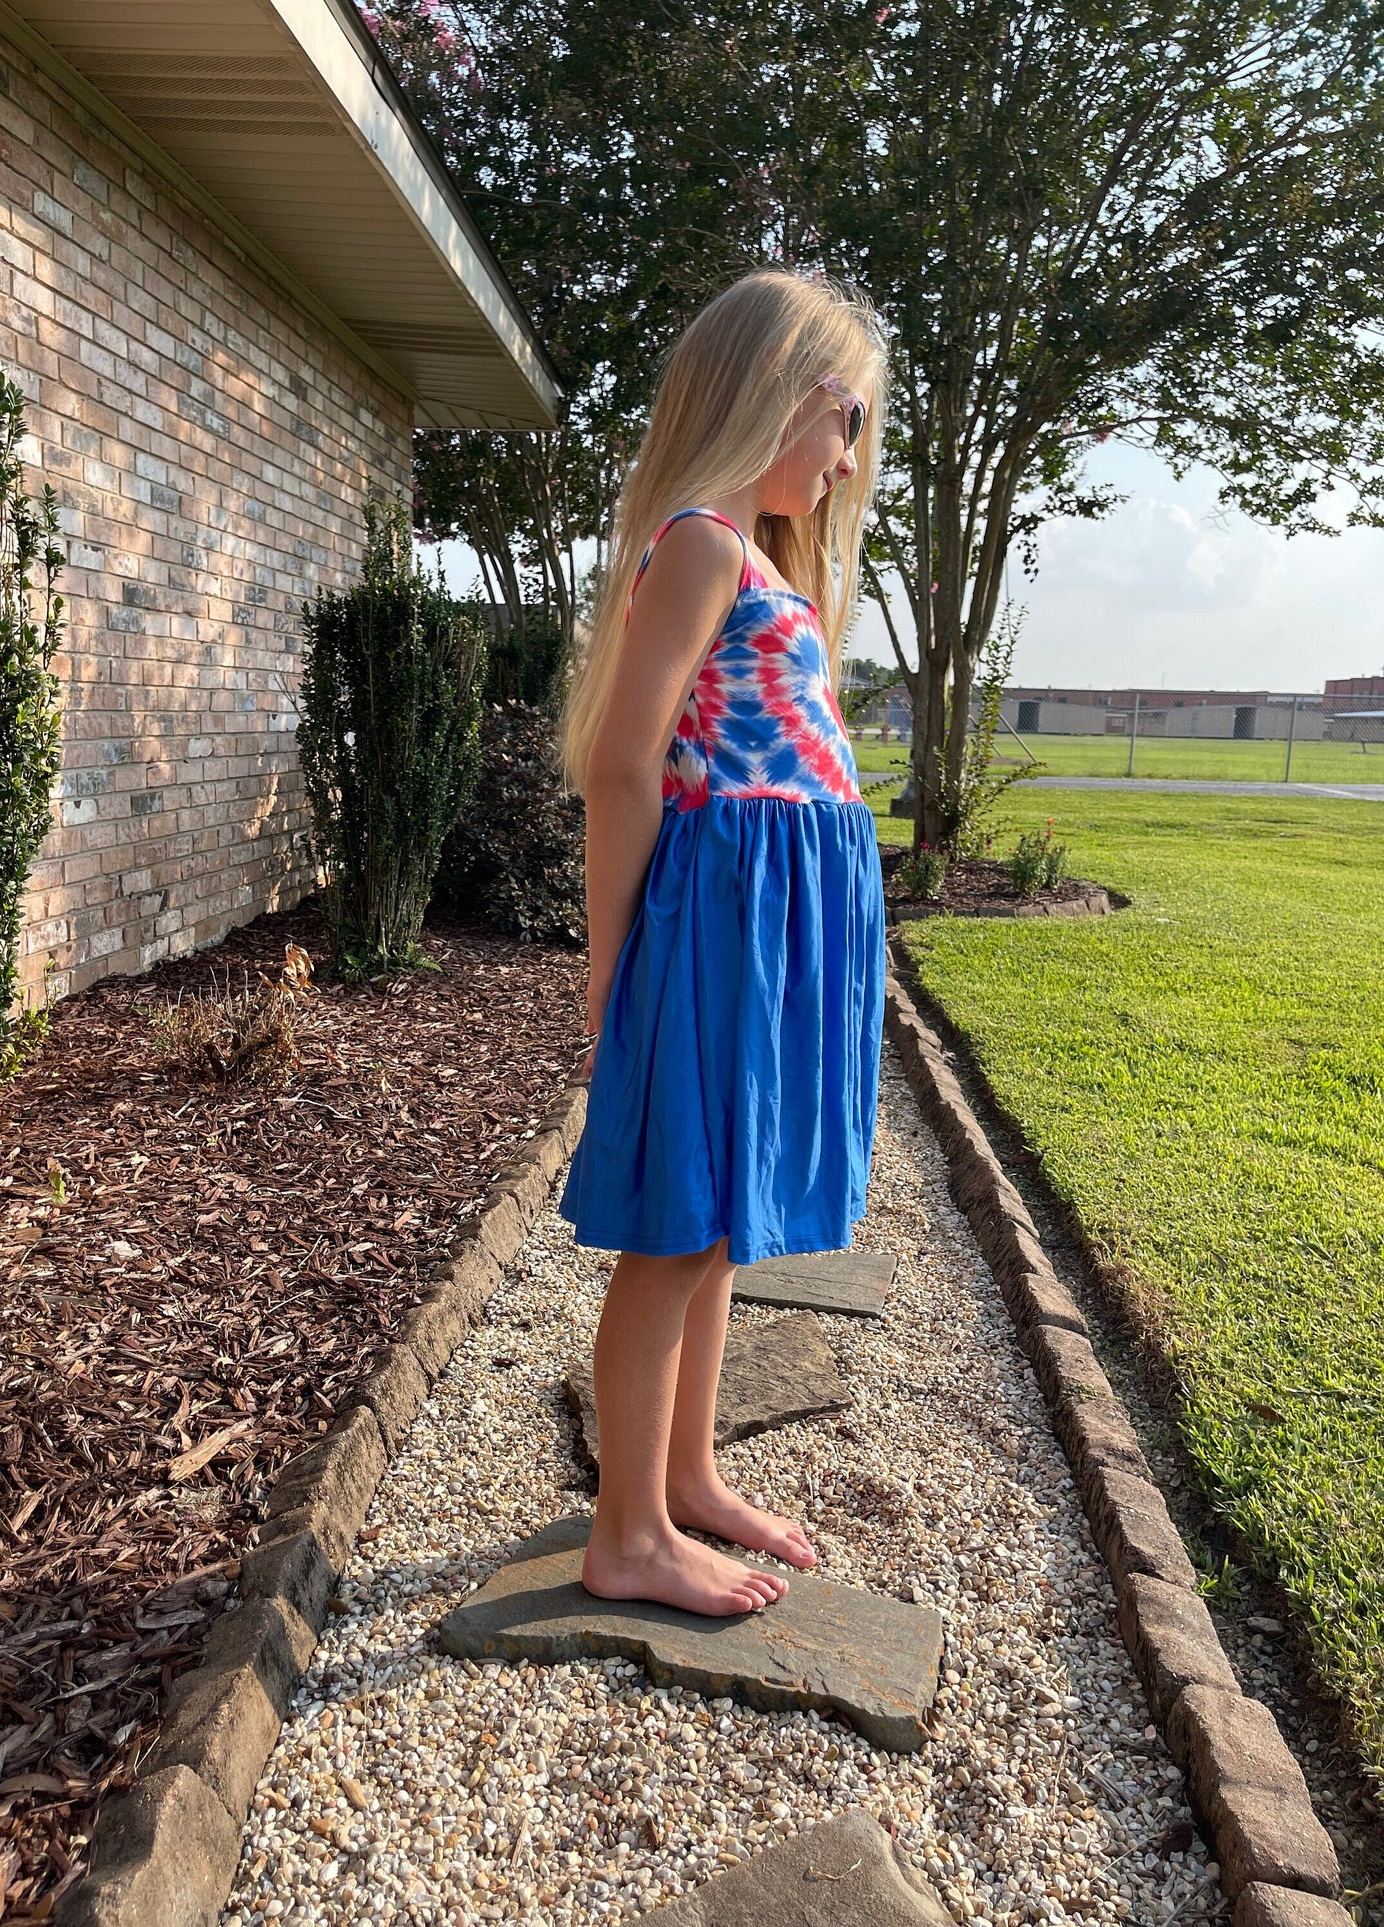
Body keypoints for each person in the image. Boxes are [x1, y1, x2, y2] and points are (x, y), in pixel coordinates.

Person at [557, 268, 888, 1618]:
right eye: (840, 416)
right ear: (773, 393)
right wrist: (610, 954)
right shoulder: (697, 540)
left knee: (726, 1223)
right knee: (681, 1226)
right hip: (721, 915)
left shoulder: (758, 557)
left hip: (777, 917)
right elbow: (625, 768)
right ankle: (625, 1531)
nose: (846, 456)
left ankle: (687, 1476)